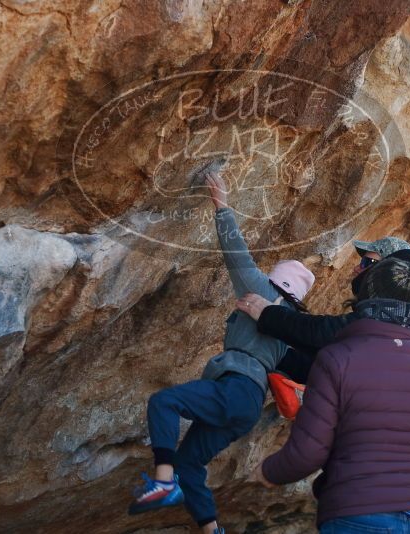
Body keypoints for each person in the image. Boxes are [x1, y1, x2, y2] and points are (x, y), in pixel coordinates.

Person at [237, 238, 410, 533]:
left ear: (390, 272)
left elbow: (324, 338)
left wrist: (268, 315)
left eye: (367, 263)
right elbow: (347, 369)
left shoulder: (394, 317)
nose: (357, 269)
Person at [128, 167, 315, 534]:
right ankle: (213, 530)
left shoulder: (263, 292)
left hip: (235, 389)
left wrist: (221, 203)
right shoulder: (289, 327)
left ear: (277, 284)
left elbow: (236, 254)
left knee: (164, 403)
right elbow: (308, 367)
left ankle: (164, 483)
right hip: (247, 407)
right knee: (190, 464)